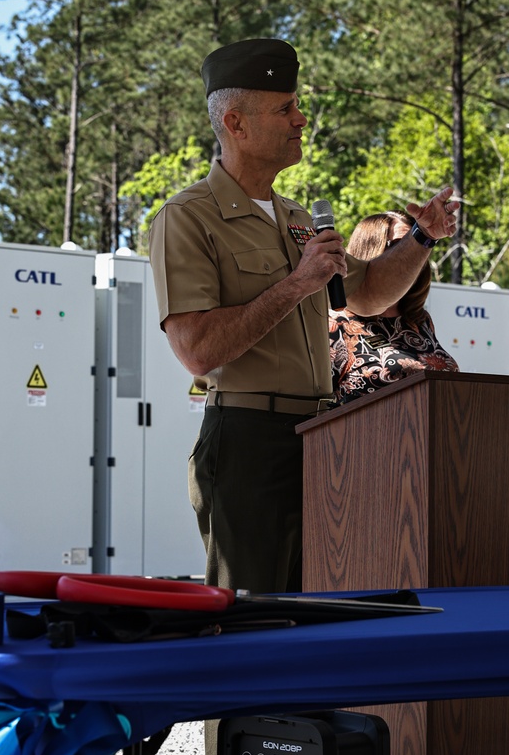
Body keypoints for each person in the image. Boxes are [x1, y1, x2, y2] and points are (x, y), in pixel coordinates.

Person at [149, 37, 458, 595]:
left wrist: (421, 237)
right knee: (252, 622)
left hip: (322, 438)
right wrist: (296, 285)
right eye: (285, 108)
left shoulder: (298, 216)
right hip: (248, 439)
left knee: (316, 613)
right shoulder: (188, 218)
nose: (302, 118)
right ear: (237, 124)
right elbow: (196, 350)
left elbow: (363, 296)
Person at [330, 211, 459, 403]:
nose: (413, 253)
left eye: (419, 243)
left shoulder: (420, 320)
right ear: (369, 252)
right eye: (400, 244)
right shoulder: (336, 320)